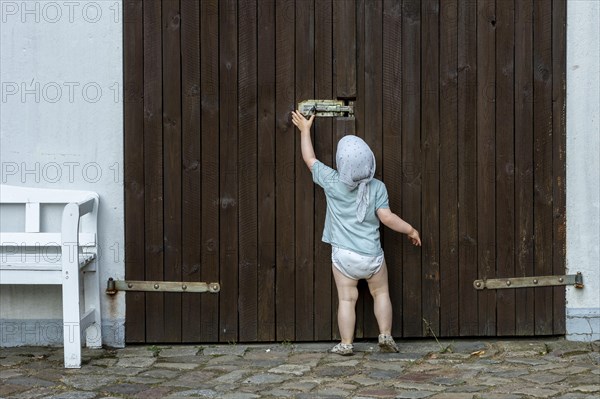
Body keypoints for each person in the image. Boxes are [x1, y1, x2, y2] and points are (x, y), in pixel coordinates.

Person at [291, 110, 422, 356]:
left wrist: (305, 130)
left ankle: (346, 343)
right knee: (381, 292)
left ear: (341, 164)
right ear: (369, 162)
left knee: (347, 300)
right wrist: (411, 230)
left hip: (343, 258)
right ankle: (385, 335)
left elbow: (310, 159)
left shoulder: (332, 181)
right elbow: (387, 217)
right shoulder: (377, 187)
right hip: (372, 256)